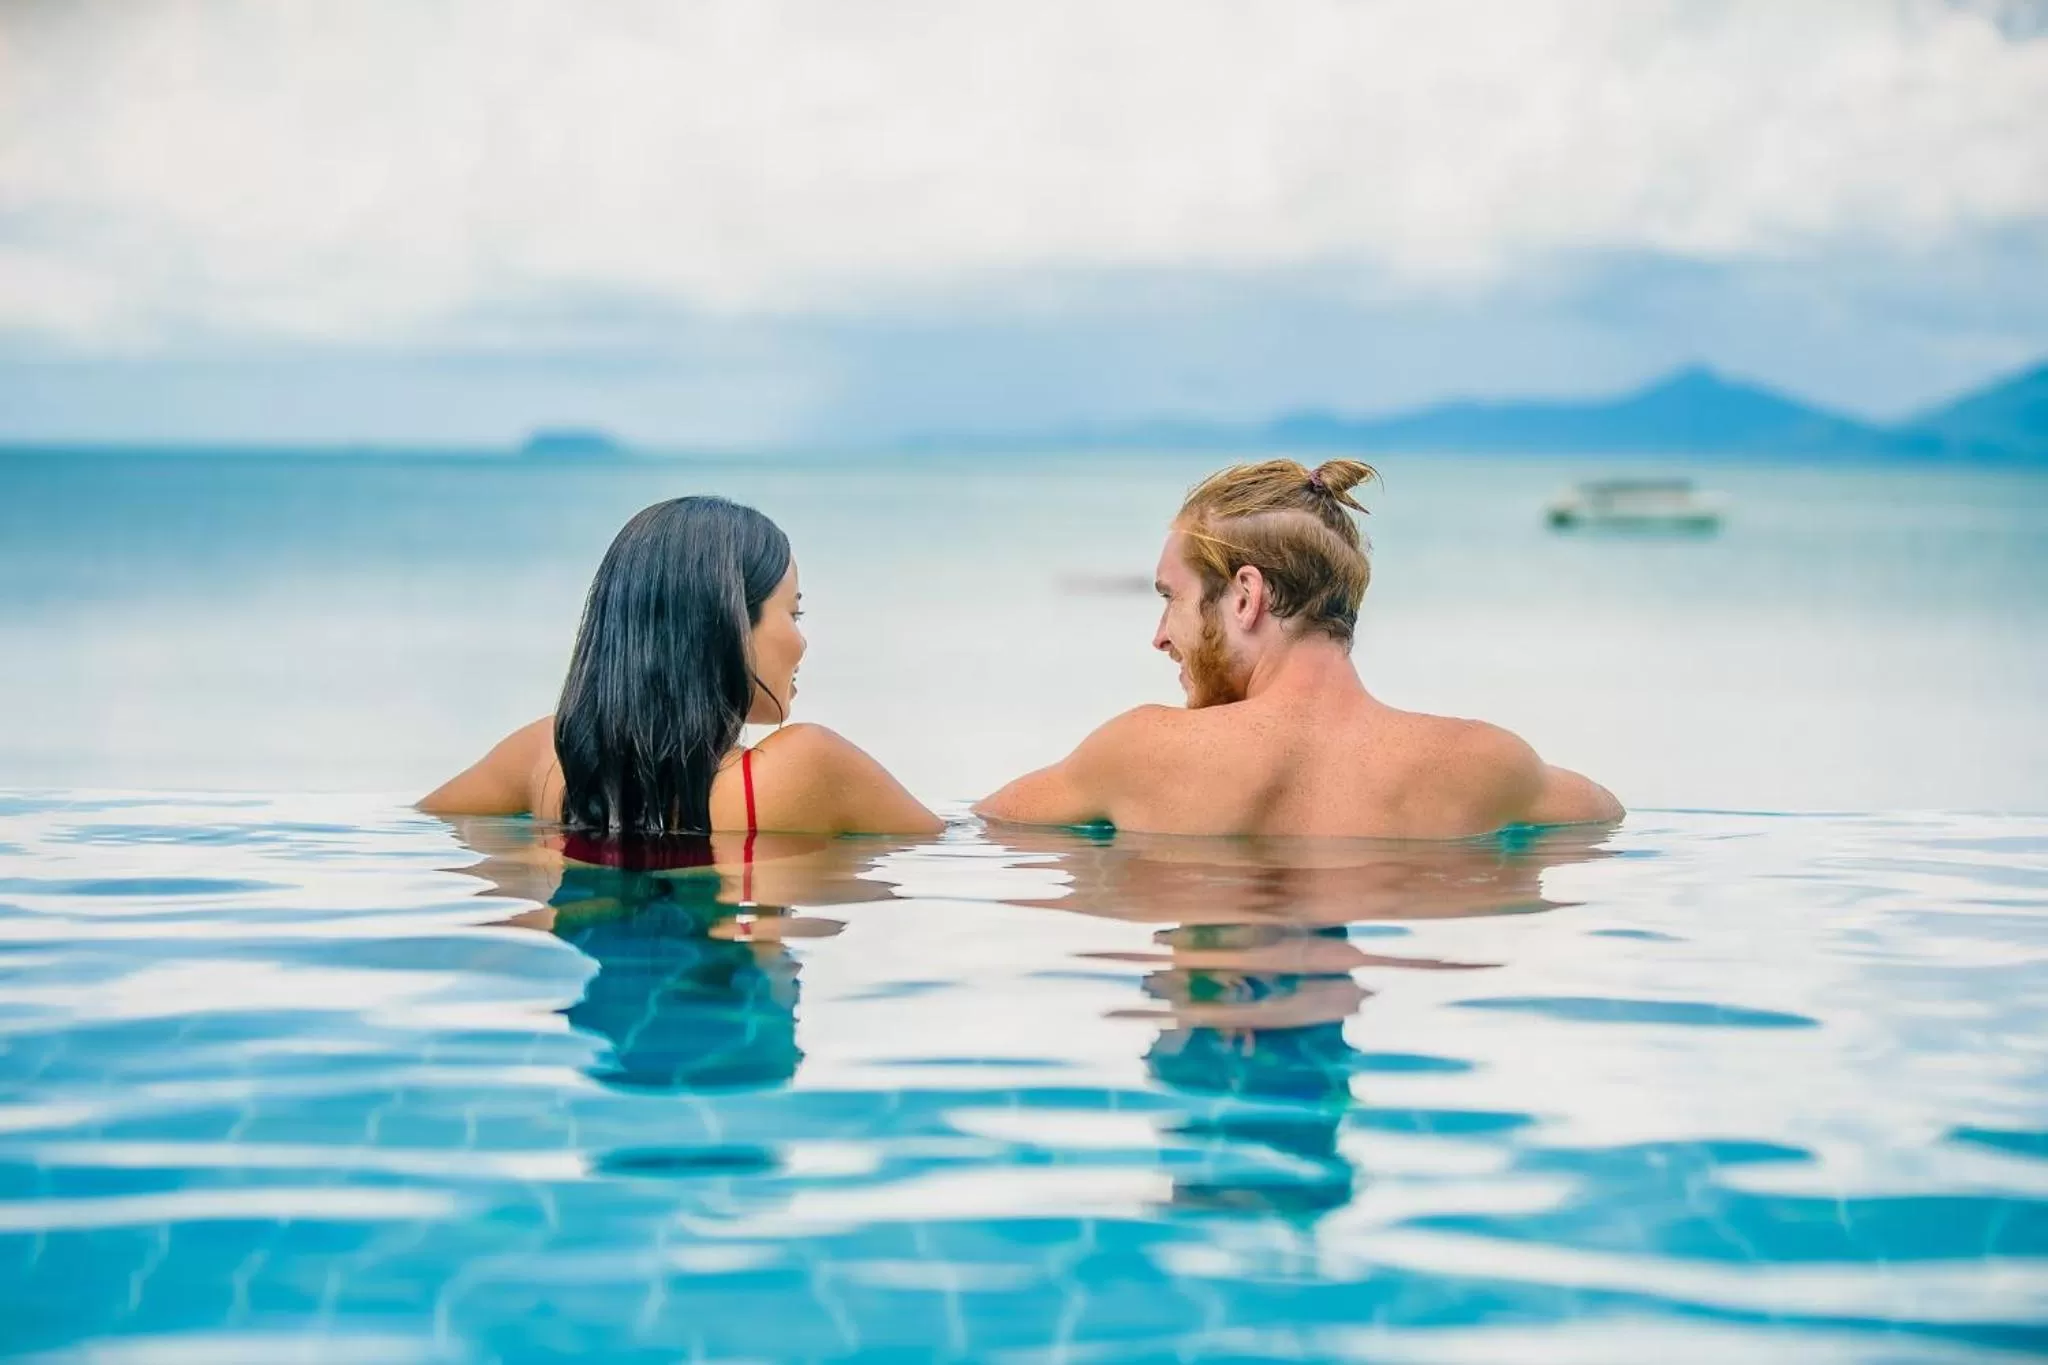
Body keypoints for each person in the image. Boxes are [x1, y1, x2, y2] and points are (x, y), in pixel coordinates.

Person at [976, 459, 1621, 839]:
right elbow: (1608, 818)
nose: (1160, 635)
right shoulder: (1487, 764)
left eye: (1169, 597)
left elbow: (971, 835)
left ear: (1246, 595)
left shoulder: (1140, 753)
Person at [421, 496, 939, 838]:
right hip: (735, 992)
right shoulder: (808, 765)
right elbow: (946, 844)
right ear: (730, 624)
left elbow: (426, 824)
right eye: (794, 612)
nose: (802, 642)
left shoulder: (547, 758)